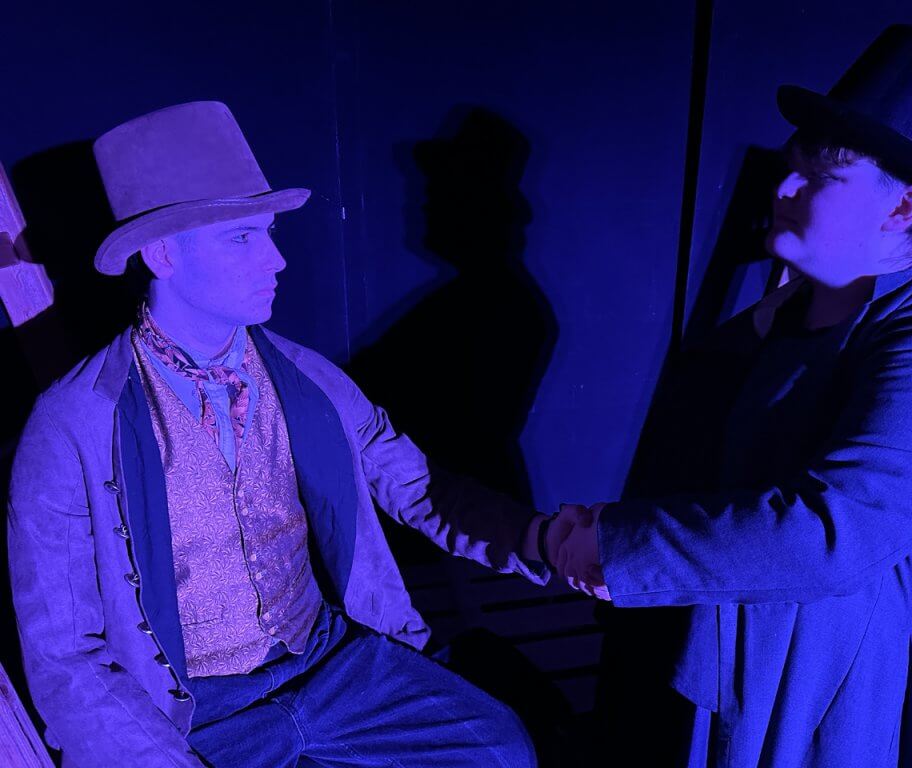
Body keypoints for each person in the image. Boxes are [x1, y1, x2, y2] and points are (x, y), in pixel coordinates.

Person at [7, 100, 566, 768]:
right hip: (197, 711)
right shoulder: (71, 424)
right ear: (162, 253)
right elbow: (65, 654)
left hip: (331, 665)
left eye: (269, 233)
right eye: (241, 238)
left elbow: (418, 487)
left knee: (496, 749)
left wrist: (547, 541)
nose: (276, 260)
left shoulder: (309, 379)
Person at [550, 25, 912, 767]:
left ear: (902, 209)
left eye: (818, 177)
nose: (783, 190)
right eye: (789, 169)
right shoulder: (784, 313)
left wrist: (611, 545)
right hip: (687, 624)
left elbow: (824, 538)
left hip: (799, 682)